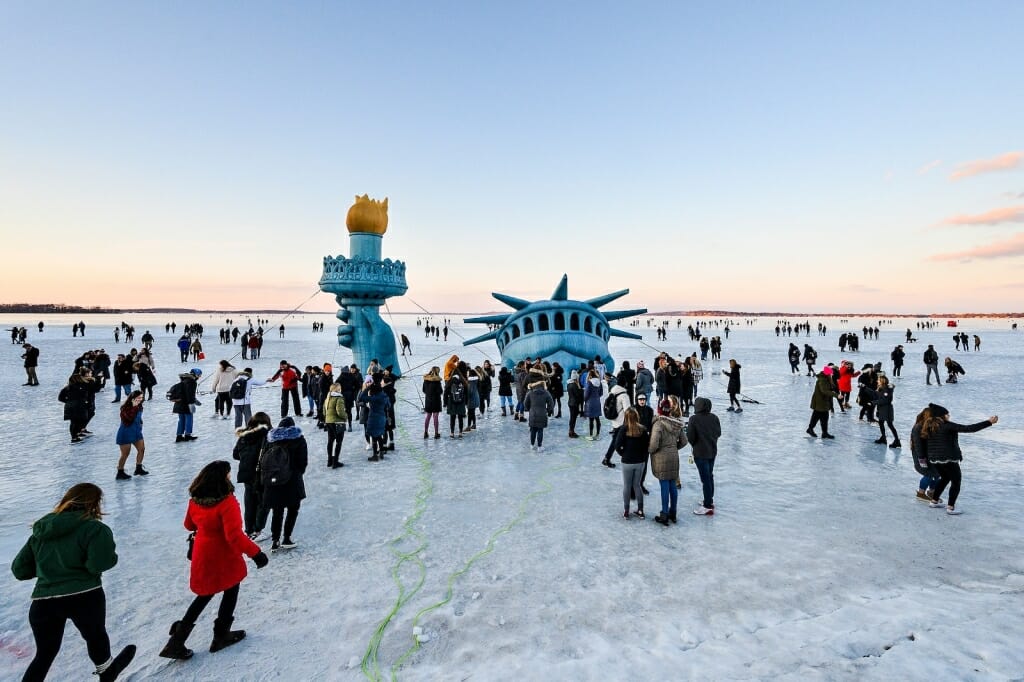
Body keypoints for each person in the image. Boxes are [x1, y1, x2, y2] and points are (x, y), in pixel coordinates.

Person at [12, 483, 136, 682]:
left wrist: (50, 568)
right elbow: (98, 564)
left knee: (44, 654)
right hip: (85, 597)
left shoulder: (41, 532)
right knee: (95, 638)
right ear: (94, 504)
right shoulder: (95, 529)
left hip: (44, 602)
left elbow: (20, 570)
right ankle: (107, 672)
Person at [159, 461, 268, 660]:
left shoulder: (195, 500)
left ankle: (177, 640)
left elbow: (188, 524)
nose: (230, 477)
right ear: (222, 478)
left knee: (205, 593)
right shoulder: (227, 502)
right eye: (228, 474)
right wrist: (256, 554)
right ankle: (221, 635)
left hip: (203, 552)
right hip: (223, 555)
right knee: (231, 587)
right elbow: (234, 536)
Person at [920, 404, 998, 515]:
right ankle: (951, 507)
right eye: (947, 414)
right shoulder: (947, 425)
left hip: (934, 459)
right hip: (948, 459)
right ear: (941, 416)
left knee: (945, 478)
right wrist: (989, 422)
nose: (949, 416)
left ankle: (934, 501)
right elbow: (968, 429)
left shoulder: (929, 427)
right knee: (956, 481)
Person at [259, 418, 309, 549]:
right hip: (292, 480)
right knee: (293, 510)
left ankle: (275, 540)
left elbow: (263, 460)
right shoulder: (299, 439)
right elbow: (303, 462)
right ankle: (287, 538)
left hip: (273, 482)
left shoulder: (270, 440)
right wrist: (297, 473)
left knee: (277, 511)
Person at [232, 412, 272, 538]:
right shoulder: (267, 435)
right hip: (261, 474)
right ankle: (258, 530)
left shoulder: (244, 436)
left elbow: (235, 454)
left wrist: (246, 459)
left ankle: (249, 530)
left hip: (246, 474)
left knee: (250, 502)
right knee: (263, 502)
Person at [649, 397, 685, 525]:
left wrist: (650, 451)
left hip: (661, 458)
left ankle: (664, 514)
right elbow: (684, 441)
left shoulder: (658, 424)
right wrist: (674, 448)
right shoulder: (676, 423)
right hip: (674, 457)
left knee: (664, 485)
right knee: (672, 485)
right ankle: (673, 512)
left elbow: (653, 444)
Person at [613, 408, 649, 519]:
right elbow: (646, 446)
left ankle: (626, 511)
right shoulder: (642, 429)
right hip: (640, 462)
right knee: (637, 485)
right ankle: (640, 510)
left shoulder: (624, 429)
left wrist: (623, 454)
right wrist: (642, 457)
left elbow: (617, 446)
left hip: (627, 461)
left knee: (627, 486)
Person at [59, 367, 101, 444]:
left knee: (74, 422)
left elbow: (60, 398)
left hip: (70, 407)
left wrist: (68, 402)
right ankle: (75, 436)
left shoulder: (67, 387)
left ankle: (75, 436)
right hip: (79, 406)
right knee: (79, 421)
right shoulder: (82, 386)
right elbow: (92, 391)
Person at [115, 391, 147, 480]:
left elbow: (138, 418)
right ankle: (120, 472)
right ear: (132, 398)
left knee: (142, 449)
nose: (140, 399)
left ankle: (138, 468)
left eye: (141, 397)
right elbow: (128, 420)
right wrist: (134, 407)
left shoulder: (139, 406)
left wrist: (140, 424)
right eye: (139, 398)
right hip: (125, 433)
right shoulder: (125, 408)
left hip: (136, 432)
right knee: (125, 454)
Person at [910, 407, 940, 503]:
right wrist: (922, 459)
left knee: (937, 474)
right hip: (921, 456)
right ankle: (921, 493)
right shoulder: (918, 427)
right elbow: (918, 445)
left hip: (931, 455)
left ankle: (931, 492)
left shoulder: (930, 426)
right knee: (928, 474)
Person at [523, 372, 554, 451]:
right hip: (542, 413)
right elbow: (551, 403)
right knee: (540, 430)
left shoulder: (530, 393)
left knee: (533, 430)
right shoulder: (546, 393)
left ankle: (532, 445)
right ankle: (539, 447)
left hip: (533, 413)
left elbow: (525, 403)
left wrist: (528, 409)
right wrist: (548, 410)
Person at [171, 369, 202, 442]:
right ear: (196, 375)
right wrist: (192, 403)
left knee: (181, 420)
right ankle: (187, 435)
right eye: (199, 375)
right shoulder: (192, 382)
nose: (199, 377)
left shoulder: (184, 380)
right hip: (187, 404)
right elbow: (190, 394)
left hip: (179, 404)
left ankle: (179, 436)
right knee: (189, 419)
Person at [807, 366, 838, 439]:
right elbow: (824, 391)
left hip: (823, 401)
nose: (832, 375)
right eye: (831, 373)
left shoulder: (826, 379)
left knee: (823, 417)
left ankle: (823, 432)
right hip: (820, 401)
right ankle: (812, 429)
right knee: (818, 416)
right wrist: (836, 395)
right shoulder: (822, 380)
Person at [322, 382, 348, 468]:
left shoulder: (328, 398)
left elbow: (324, 411)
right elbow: (340, 411)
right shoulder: (339, 398)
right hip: (337, 423)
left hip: (329, 421)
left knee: (330, 441)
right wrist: (345, 417)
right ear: (338, 389)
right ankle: (335, 461)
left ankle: (329, 460)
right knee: (338, 442)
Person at [872, 375, 901, 448]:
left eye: (878, 380)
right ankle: (883, 437)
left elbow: (885, 400)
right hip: (882, 409)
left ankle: (897, 440)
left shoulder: (886, 389)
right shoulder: (881, 388)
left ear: (882, 381)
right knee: (881, 423)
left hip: (887, 409)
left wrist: (874, 402)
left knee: (890, 424)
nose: (877, 381)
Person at [443, 368, 469, 438]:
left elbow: (445, 393)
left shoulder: (450, 381)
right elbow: (466, 393)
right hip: (461, 402)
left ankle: (452, 433)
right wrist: (466, 402)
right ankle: (460, 433)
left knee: (452, 418)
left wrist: (445, 403)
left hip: (451, 402)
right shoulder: (463, 381)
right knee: (460, 418)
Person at [583, 370, 604, 445]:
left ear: (590, 375)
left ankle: (591, 435)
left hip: (590, 403)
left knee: (591, 420)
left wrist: (584, 400)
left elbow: (586, 394)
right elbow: (601, 393)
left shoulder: (589, 383)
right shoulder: (599, 382)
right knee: (597, 419)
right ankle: (597, 435)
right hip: (597, 402)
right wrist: (596, 397)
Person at [422, 367, 443, 439]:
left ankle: (425, 432)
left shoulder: (426, 380)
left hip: (428, 400)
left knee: (428, 416)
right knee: (435, 417)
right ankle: (436, 433)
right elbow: (440, 391)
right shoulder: (437, 381)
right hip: (436, 401)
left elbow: (424, 390)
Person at [566, 369, 584, 438]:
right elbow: (578, 394)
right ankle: (571, 432)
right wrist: (580, 388)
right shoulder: (575, 386)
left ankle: (571, 431)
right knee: (573, 418)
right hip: (574, 404)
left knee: (572, 417)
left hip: (570, 402)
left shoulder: (569, 385)